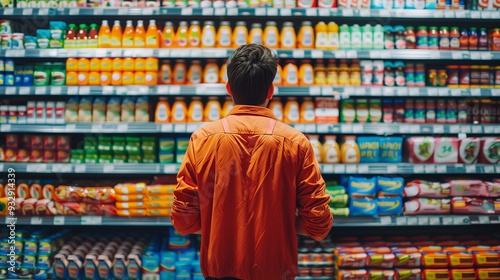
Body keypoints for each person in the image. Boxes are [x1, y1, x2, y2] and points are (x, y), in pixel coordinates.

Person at [171, 44, 333, 280]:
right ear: (271, 91)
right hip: (276, 271)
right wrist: (283, 224)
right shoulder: (296, 143)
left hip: (219, 270)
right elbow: (319, 225)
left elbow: (183, 221)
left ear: (228, 88)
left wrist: (220, 224)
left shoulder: (202, 139)